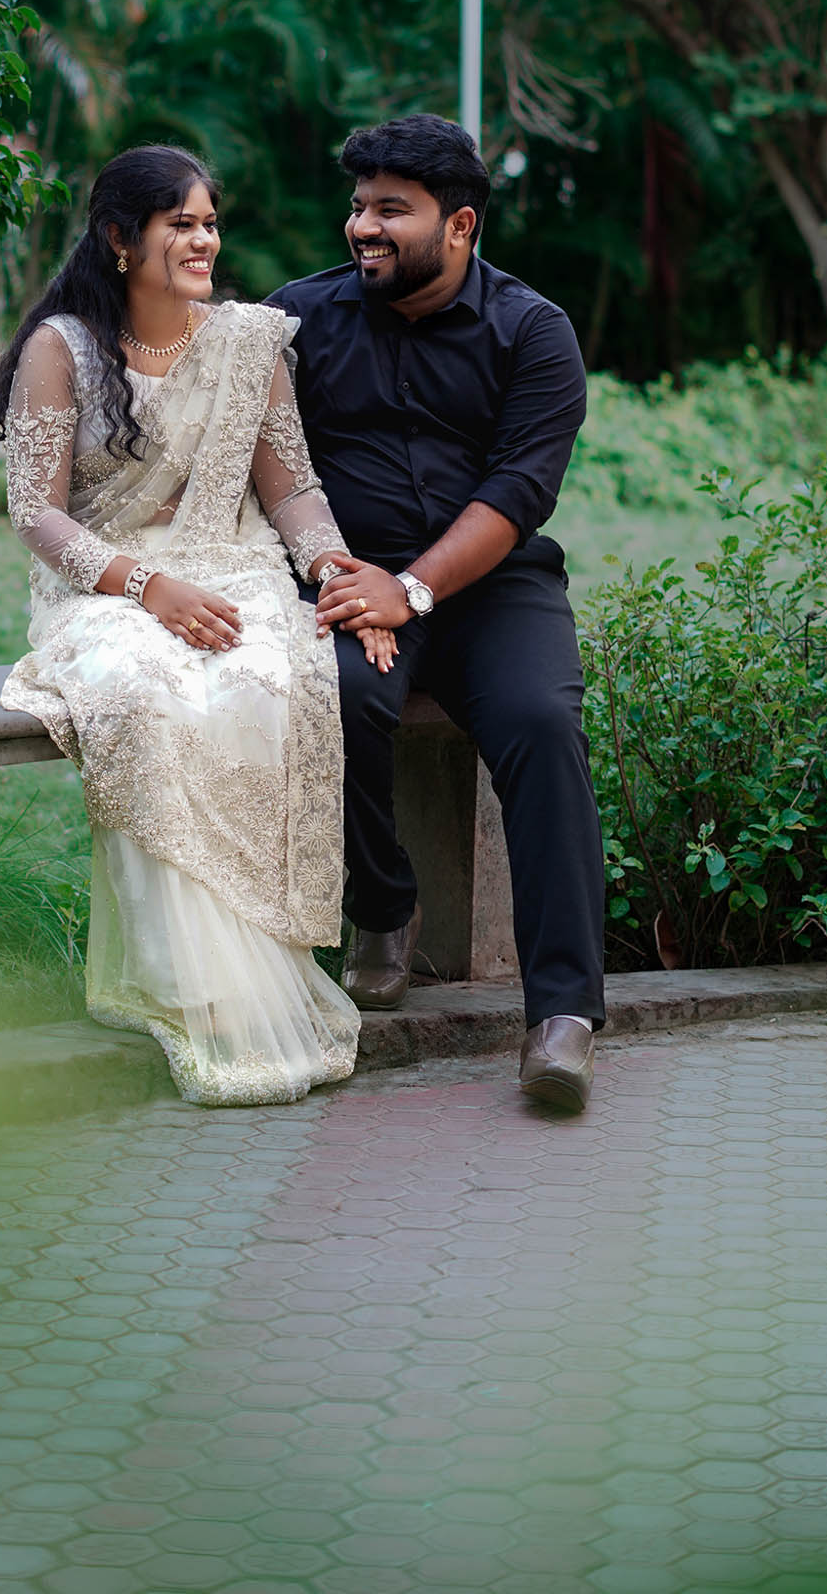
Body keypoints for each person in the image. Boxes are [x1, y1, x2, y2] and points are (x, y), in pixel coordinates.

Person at [0, 144, 393, 1106]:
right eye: (182, 223)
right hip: (105, 587)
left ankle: (258, 970)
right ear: (121, 240)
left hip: (238, 569)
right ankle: (189, 986)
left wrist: (338, 577)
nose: (204, 238)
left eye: (210, 222)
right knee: (143, 692)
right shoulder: (62, 350)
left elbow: (291, 489)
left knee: (268, 682)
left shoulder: (248, 342)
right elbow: (35, 513)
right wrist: (145, 586)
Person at [268, 114, 606, 1111]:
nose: (360, 226)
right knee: (337, 695)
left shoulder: (532, 330)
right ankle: (382, 905)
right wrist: (353, 583)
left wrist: (409, 589)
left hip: (495, 590)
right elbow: (272, 473)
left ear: (459, 225)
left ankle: (562, 1014)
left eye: (389, 210)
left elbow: (518, 491)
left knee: (544, 725)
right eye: (358, 205)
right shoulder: (296, 322)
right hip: (345, 579)